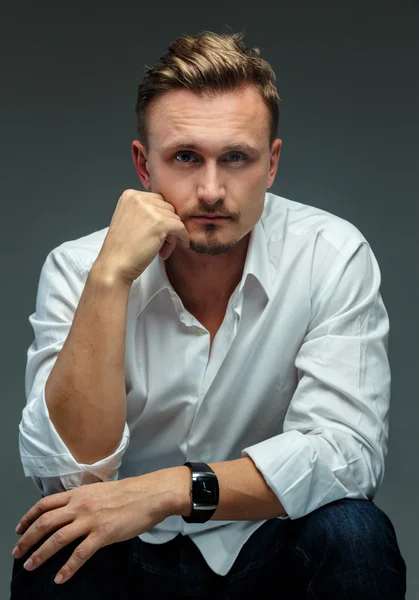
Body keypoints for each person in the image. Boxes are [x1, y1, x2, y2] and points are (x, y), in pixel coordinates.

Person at [10, 31, 406, 599]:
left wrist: (170, 490)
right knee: (59, 541)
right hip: (127, 558)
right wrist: (109, 281)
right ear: (144, 166)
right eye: (186, 157)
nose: (212, 189)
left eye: (236, 158)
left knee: (355, 533)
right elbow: (68, 479)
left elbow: (346, 455)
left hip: (269, 552)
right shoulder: (79, 268)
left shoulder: (331, 255)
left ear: (270, 164)